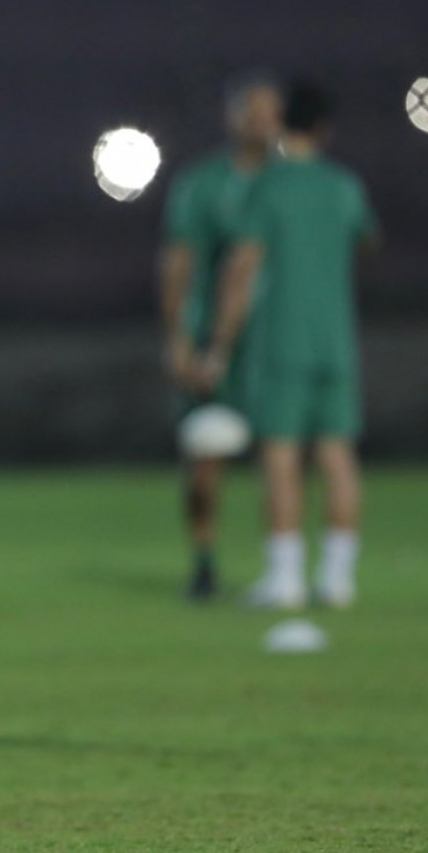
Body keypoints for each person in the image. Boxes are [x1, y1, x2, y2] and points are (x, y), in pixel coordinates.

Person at [204, 81, 378, 609]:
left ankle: (285, 581)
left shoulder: (268, 187)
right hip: (335, 343)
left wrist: (220, 342)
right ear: (324, 129)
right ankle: (338, 578)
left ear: (281, 125)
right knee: (338, 457)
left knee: (280, 459)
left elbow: (241, 267)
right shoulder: (344, 186)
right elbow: (367, 241)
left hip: (281, 341)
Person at [160, 77, 282, 598]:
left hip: (278, 340)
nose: (261, 122)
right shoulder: (202, 184)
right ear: (233, 120)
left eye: (270, 113)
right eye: (251, 112)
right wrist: (180, 338)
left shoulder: (295, 183)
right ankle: (204, 560)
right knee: (205, 453)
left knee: (283, 453)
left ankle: (285, 567)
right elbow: (178, 261)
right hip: (214, 336)